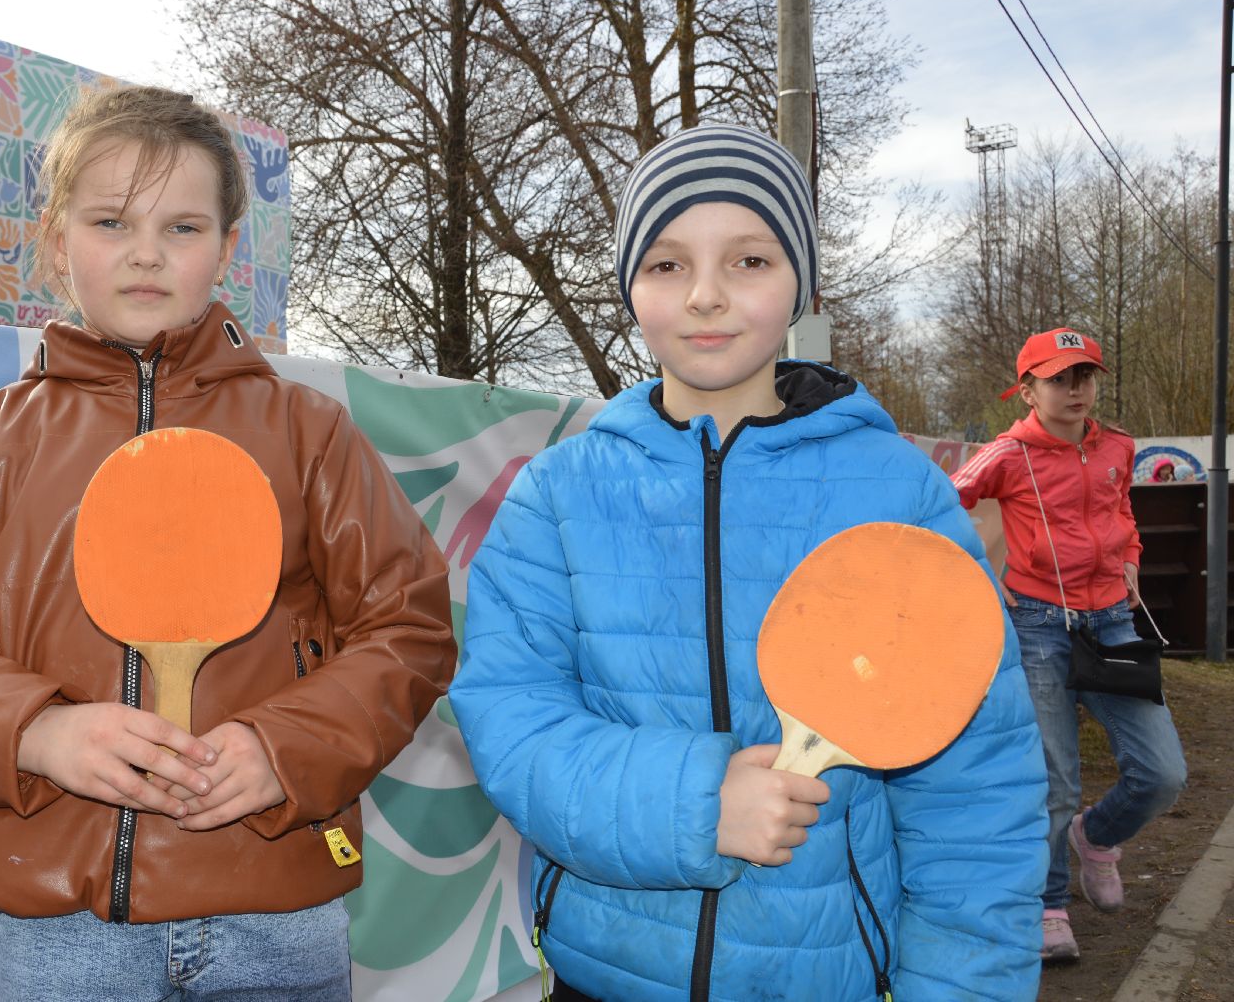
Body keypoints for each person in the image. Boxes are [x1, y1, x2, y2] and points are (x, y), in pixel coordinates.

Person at [0, 86, 456, 1001]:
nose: (144, 252)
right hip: (55, 934)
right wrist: (37, 731)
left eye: (181, 227)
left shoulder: (309, 431)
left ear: (226, 249)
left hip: (276, 914)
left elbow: (409, 631)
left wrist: (283, 748)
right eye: (110, 221)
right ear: (57, 240)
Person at [449, 124, 1048, 1002]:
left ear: (800, 280)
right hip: (601, 971)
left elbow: (977, 793)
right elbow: (511, 720)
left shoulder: (900, 495)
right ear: (629, 287)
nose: (704, 296)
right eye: (665, 264)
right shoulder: (557, 493)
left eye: (750, 260)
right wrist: (698, 804)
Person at [952, 328, 1187, 963]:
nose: (1075, 389)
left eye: (1085, 375)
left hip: (1112, 623)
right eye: (1059, 377)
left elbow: (1122, 514)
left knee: (1164, 774)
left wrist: (1131, 556)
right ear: (1027, 389)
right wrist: (980, 575)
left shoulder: (1116, 447)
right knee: (1053, 778)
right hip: (1037, 627)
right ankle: (1050, 906)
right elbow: (941, 505)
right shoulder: (1007, 453)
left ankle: (1097, 836)